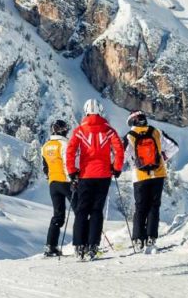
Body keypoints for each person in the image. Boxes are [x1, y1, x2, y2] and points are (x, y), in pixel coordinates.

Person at [66, 99, 123, 260]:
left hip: (85, 175)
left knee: (82, 210)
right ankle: (93, 246)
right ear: (100, 111)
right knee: (97, 210)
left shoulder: (79, 131)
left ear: (85, 112)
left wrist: (72, 172)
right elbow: (119, 150)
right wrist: (116, 168)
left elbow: (70, 152)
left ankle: (79, 246)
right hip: (103, 175)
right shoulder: (109, 131)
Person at [123, 111, 179, 253]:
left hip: (140, 177)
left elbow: (122, 156)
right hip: (158, 174)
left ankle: (138, 239)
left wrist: (131, 162)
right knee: (154, 206)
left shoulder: (130, 136)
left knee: (140, 207)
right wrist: (162, 157)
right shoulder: (156, 131)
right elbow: (174, 147)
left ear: (132, 121)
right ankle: (151, 237)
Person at [41, 120, 71, 257]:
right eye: (66, 129)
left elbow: (45, 167)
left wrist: (51, 177)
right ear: (62, 130)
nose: (67, 131)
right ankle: (84, 243)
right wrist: (73, 179)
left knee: (58, 215)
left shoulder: (46, 146)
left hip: (53, 184)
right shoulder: (64, 144)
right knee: (80, 211)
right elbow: (67, 163)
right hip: (66, 181)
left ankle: (50, 246)